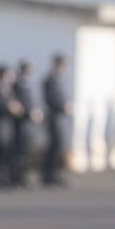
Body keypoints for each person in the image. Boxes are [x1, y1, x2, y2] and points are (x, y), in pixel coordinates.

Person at [10, 59, 41, 187]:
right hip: (21, 122)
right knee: (19, 150)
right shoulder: (18, 83)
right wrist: (29, 112)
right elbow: (18, 104)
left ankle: (23, 175)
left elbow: (31, 101)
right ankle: (16, 177)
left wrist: (36, 111)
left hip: (28, 123)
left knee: (26, 150)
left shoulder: (29, 83)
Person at [42, 53, 70, 186]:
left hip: (60, 117)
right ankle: (49, 175)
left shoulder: (59, 79)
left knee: (58, 145)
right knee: (54, 145)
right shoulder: (50, 79)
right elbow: (51, 98)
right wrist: (62, 106)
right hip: (53, 117)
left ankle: (54, 173)